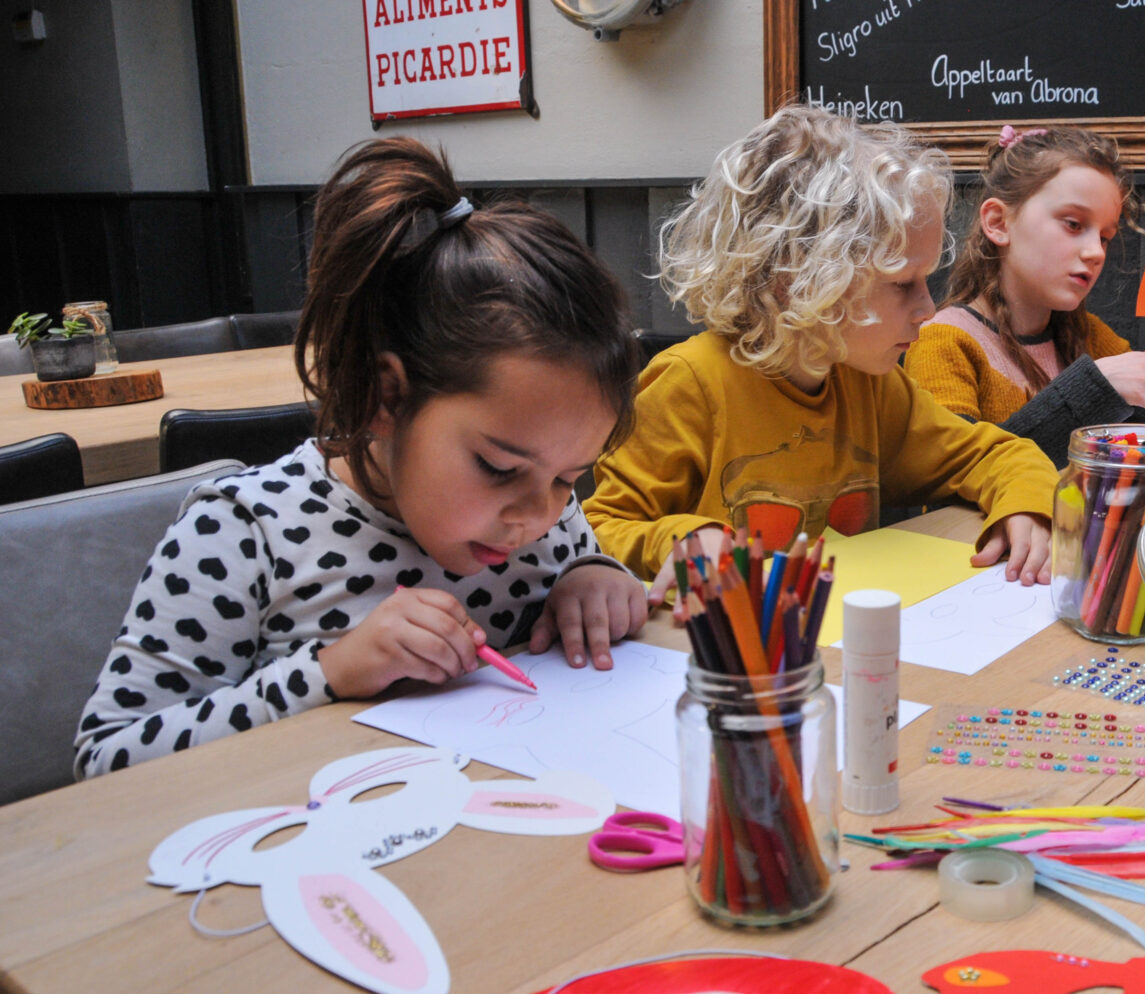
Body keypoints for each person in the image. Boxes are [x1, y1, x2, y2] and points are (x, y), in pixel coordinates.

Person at [75, 138, 647, 779]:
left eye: (569, 478)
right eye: (498, 468)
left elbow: (577, 570)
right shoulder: (244, 533)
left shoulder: (546, 514)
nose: (536, 517)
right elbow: (107, 758)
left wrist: (593, 579)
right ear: (385, 398)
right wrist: (330, 672)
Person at [585, 105, 1059, 600]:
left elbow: (996, 453)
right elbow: (599, 527)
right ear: (801, 280)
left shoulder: (869, 382)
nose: (928, 307)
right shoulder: (689, 383)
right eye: (902, 284)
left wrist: (1024, 505)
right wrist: (679, 540)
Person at [904, 125, 1145, 467]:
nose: (1096, 251)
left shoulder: (1087, 335)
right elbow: (959, 478)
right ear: (999, 222)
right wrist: (1093, 388)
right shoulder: (943, 342)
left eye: (1105, 236)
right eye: (1073, 224)